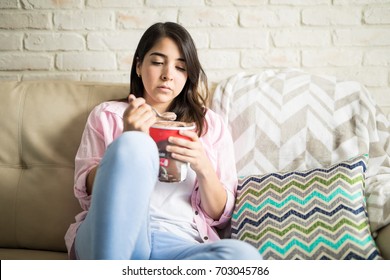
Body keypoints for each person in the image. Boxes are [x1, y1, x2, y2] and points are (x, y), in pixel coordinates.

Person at [64, 22, 262, 260]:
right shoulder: (108, 115)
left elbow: (221, 214)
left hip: (178, 242)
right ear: (138, 65)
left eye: (180, 67)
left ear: (188, 75)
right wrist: (129, 138)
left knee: (244, 257)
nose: (168, 75)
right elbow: (85, 194)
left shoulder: (210, 125)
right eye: (157, 62)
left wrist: (203, 166)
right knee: (134, 145)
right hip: (112, 234)